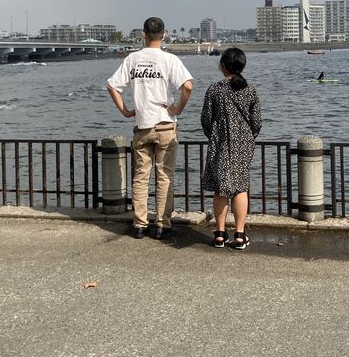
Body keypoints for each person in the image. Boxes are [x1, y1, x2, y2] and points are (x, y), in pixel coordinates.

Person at [107, 17, 193, 240]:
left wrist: (125, 111)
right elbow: (188, 86)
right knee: (164, 176)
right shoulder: (169, 59)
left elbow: (112, 85)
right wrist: (177, 109)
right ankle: (163, 224)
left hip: (142, 125)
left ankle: (140, 224)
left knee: (140, 177)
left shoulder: (133, 59)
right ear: (164, 35)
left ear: (143, 34)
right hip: (165, 124)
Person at [201, 47, 261, 250]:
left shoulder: (214, 89)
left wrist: (216, 136)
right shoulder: (250, 90)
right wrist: (246, 137)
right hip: (243, 143)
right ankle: (240, 235)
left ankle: (219, 234)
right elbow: (257, 122)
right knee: (240, 187)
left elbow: (206, 120)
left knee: (221, 188)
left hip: (220, 142)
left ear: (223, 66)